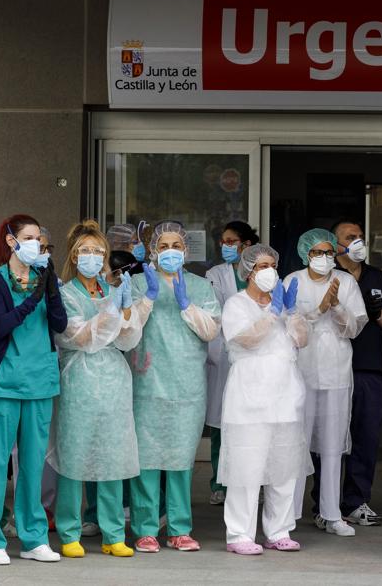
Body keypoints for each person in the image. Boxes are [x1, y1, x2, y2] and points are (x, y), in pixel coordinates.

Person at [49, 220, 150, 559]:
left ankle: (113, 533)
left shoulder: (113, 291)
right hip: (79, 382)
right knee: (74, 456)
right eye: (84, 252)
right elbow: (77, 337)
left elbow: (129, 339)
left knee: (113, 458)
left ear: (106, 256)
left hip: (114, 383)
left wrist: (123, 309)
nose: (91, 257)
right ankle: (69, 531)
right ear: (74, 257)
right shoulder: (65, 294)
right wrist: (112, 313)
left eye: (97, 251)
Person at [0, 215, 67, 565]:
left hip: (40, 379)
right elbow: (1, 326)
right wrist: (32, 299)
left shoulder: (46, 279)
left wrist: (51, 289)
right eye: (29, 238)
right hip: (5, 380)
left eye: (40, 241)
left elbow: (59, 324)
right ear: (12, 241)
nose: (36, 245)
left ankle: (34, 538)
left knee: (33, 464)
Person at [127, 221, 221, 553]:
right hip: (147, 382)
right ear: (153, 250)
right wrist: (149, 298)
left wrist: (186, 305)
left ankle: (180, 528)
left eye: (177, 246)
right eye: (164, 246)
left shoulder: (199, 285)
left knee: (182, 459)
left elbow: (210, 332)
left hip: (187, 386)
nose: (170, 252)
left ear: (186, 250)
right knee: (148, 459)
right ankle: (145, 529)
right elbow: (127, 329)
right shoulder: (138, 283)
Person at [218, 245, 313, 555]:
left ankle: (279, 530)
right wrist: (272, 315)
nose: (269, 270)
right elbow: (247, 338)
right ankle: (239, 534)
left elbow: (302, 340)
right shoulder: (236, 304)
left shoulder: (284, 305)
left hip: (285, 396)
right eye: (261, 266)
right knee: (247, 468)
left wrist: (293, 313)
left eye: (273, 264)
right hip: (248, 397)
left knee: (284, 467)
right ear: (248, 271)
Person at [285, 228, 367, 538]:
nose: (323, 258)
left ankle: (332, 514)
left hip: (335, 371)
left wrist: (335, 306)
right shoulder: (292, 280)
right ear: (306, 254)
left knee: (332, 444)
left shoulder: (345, 282)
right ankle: (288, 515)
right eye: (317, 252)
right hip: (300, 372)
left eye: (328, 252)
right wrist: (318, 309)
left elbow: (355, 326)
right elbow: (287, 325)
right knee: (296, 444)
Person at [332, 219, 382, 528]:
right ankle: (326, 504)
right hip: (331, 370)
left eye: (360, 236)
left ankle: (356, 501)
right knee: (329, 439)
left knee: (366, 437)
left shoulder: (377, 277)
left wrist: (376, 311)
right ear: (335, 245)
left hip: (369, 368)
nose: (358, 241)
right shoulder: (327, 275)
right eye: (350, 237)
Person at [203, 221, 259, 506]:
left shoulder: (262, 274)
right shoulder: (215, 274)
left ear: (246, 245)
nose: (226, 246)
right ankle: (219, 483)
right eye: (223, 241)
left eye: (231, 241)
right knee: (220, 425)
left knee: (252, 424)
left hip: (254, 356)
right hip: (223, 355)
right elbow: (216, 315)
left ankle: (250, 481)